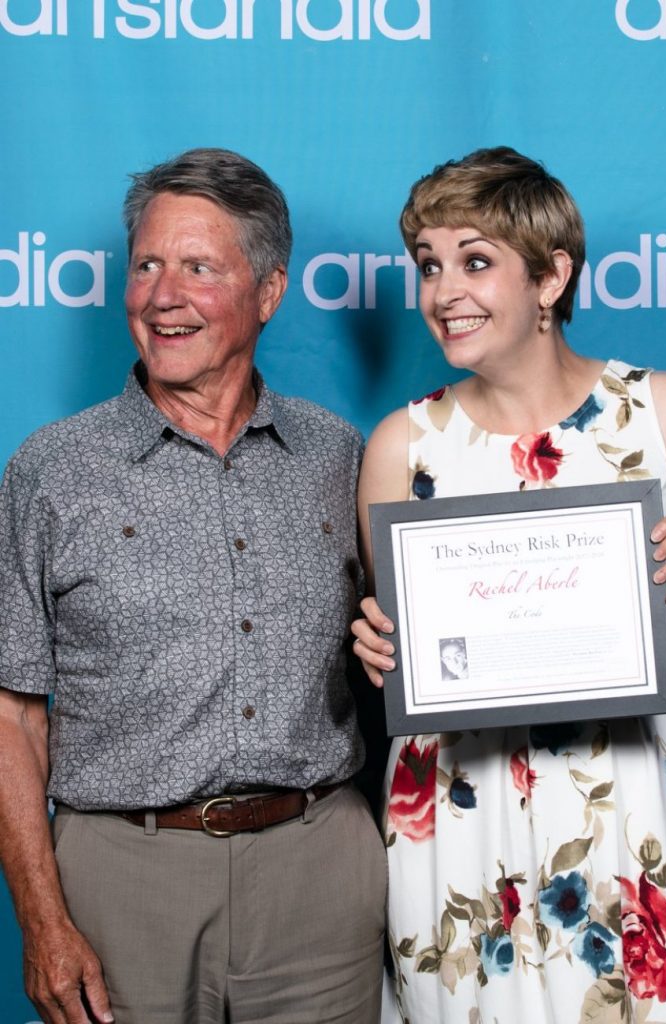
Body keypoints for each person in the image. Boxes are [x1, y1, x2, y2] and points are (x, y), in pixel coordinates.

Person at [352, 146, 666, 1022]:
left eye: (475, 261)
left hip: (633, 790)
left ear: (551, 276)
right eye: (427, 265)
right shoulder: (400, 447)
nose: (442, 291)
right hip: (461, 808)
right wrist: (379, 646)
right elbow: (408, 648)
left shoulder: (665, 413)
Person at [0, 148, 386, 1024]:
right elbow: (11, 714)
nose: (162, 295)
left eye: (198, 268)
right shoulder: (52, 469)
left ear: (269, 292)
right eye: (145, 266)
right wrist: (42, 920)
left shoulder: (339, 456)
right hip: (123, 880)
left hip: (321, 876)